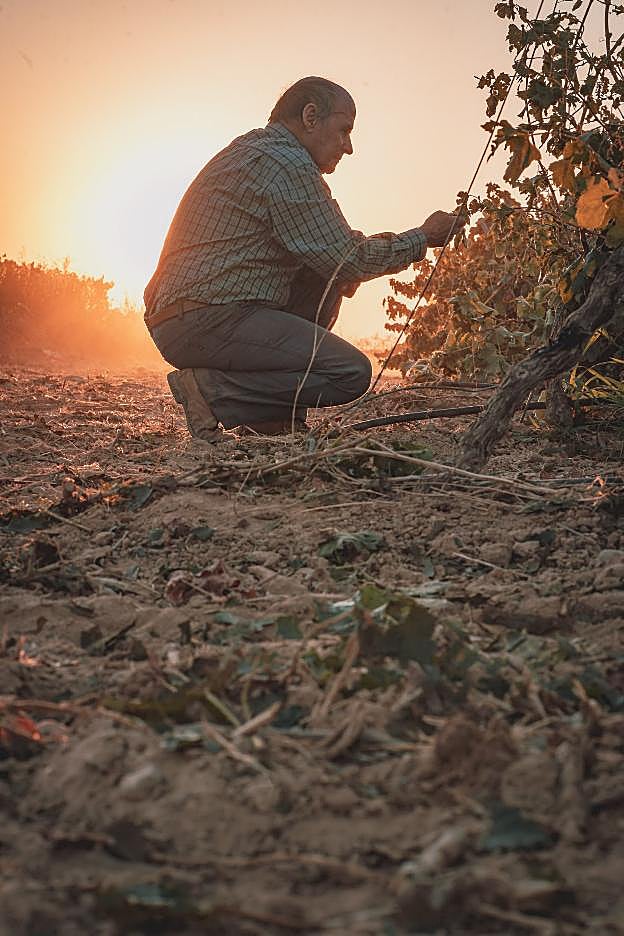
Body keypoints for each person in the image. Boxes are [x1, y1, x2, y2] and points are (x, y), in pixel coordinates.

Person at [144, 76, 463, 439]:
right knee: (349, 373)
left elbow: (334, 256)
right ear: (311, 116)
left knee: (323, 276)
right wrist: (423, 237)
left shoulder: (256, 149)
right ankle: (213, 392)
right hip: (204, 318)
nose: (349, 147)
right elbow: (349, 257)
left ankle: (268, 418)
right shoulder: (286, 163)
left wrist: (348, 266)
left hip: (188, 315)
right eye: (344, 130)